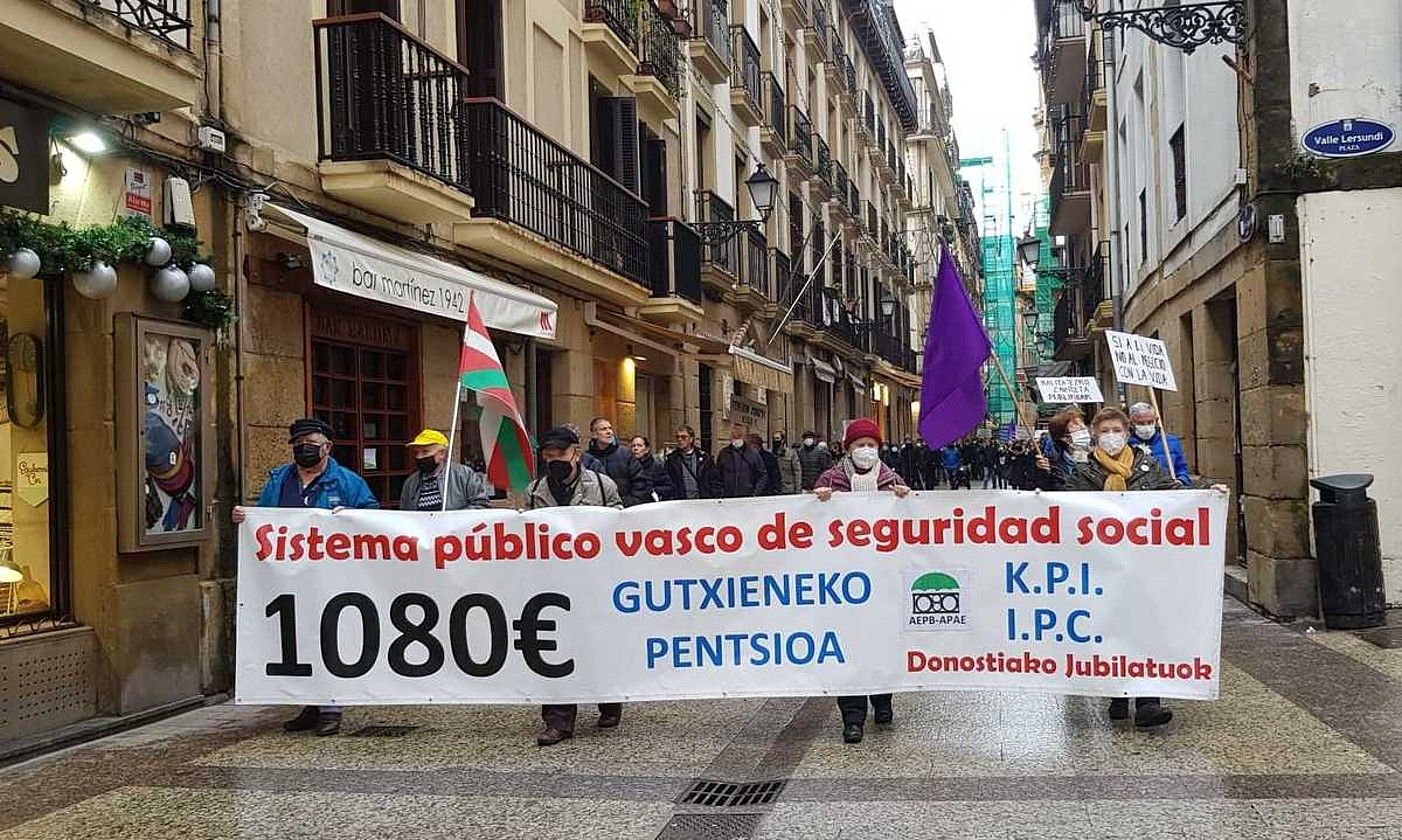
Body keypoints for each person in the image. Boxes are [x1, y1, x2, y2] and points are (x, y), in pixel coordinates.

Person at [1055, 407, 1227, 729]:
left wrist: (1207, 495)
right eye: (1104, 431)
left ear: (1126, 432)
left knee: (1146, 627)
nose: (1111, 437)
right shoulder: (1083, 473)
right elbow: (1064, 510)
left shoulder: (1149, 467)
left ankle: (1148, 700)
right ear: (1096, 434)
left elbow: (1175, 496)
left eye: (1116, 430)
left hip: (1144, 567)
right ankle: (1118, 694)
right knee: (1112, 629)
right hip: (1103, 567)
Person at [233, 418, 378, 736]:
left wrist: (351, 518)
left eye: (310, 443)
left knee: (330, 635)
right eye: (298, 443)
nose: (304, 448)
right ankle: (311, 703)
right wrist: (247, 517)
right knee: (300, 637)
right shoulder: (279, 480)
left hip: (331, 576)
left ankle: (332, 706)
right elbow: (265, 517)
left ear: (327, 446)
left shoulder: (347, 482)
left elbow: (372, 515)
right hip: (289, 577)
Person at [814, 418, 910, 744]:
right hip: (845, 584)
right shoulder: (830, 480)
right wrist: (817, 504)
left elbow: (913, 526)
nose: (865, 451)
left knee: (883, 642)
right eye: (859, 446)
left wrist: (905, 499)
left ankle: (883, 701)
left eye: (871, 445)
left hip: (884, 581)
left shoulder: (892, 480)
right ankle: (852, 716)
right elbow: (809, 528)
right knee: (850, 647)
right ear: (848, 449)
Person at [526, 426, 624, 745]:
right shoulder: (535, 490)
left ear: (575, 454)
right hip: (553, 583)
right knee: (555, 647)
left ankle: (609, 700)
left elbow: (620, 525)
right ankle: (558, 720)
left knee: (597, 642)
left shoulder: (600, 485)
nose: (554, 460)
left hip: (595, 579)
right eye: (548, 456)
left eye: (560, 455)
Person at [399, 429, 491, 511]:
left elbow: (482, 505)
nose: (419, 456)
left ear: (441, 454)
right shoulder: (410, 483)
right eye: (416, 453)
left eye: (425, 452)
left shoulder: (463, 475)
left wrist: (453, 520)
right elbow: (405, 516)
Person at [586, 417, 652, 507]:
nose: (609, 432)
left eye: (610, 428)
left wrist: (628, 503)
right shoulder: (587, 458)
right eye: (603, 429)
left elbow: (640, 482)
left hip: (625, 509)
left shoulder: (625, 454)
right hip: (599, 510)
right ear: (594, 434)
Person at [1129, 402, 1192, 485]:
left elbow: (1181, 469)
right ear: (1131, 423)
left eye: (1150, 422)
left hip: (1168, 492)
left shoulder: (1170, 442)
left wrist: (1181, 481)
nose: (1146, 427)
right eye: (1140, 423)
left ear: (1157, 420)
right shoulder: (1127, 445)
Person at [711, 423, 768, 498]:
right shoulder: (724, 454)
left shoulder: (752, 454)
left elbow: (762, 475)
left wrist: (755, 493)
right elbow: (717, 476)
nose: (736, 439)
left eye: (739, 436)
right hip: (728, 498)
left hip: (747, 499)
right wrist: (719, 493)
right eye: (734, 436)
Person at [665, 425, 713, 500]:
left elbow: (713, 480)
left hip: (701, 501)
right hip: (681, 501)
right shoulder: (672, 459)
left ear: (691, 439)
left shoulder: (705, 458)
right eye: (677, 437)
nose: (680, 440)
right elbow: (667, 482)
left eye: (683, 437)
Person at [630, 434, 673, 502]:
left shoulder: (656, 466)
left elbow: (667, 487)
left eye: (639, 445)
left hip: (650, 504)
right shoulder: (627, 465)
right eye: (633, 446)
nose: (635, 448)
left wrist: (653, 491)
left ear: (646, 449)